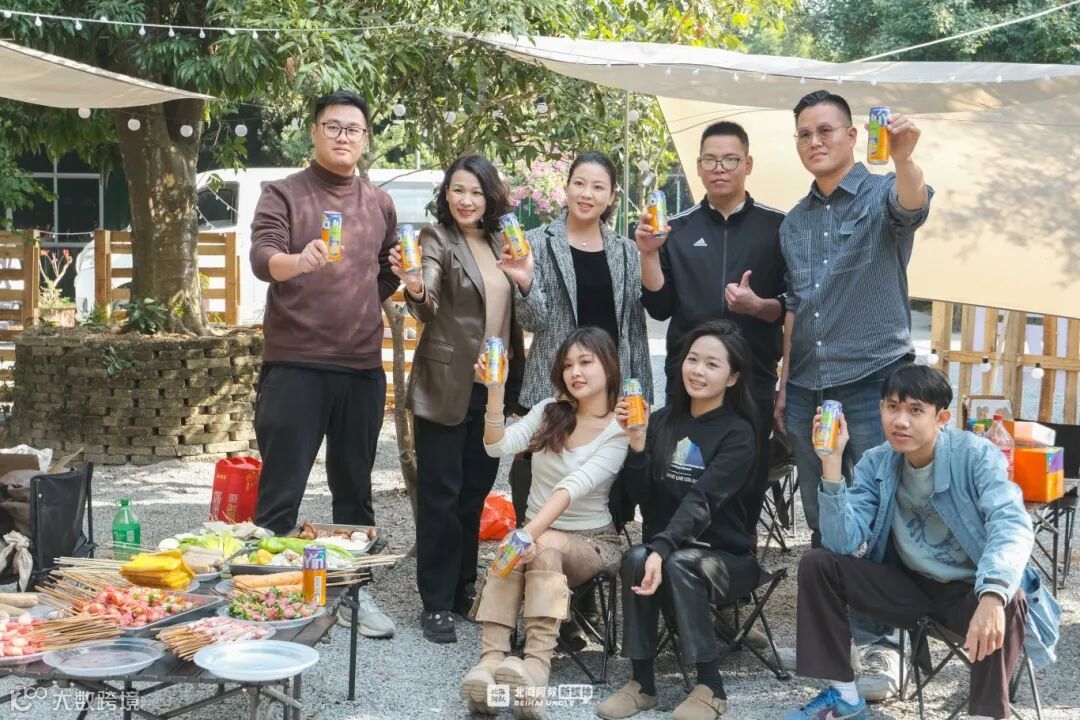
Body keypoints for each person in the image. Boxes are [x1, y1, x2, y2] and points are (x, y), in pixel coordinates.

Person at [785, 365, 1060, 720]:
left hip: (967, 593)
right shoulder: (877, 462)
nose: (901, 421)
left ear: (941, 417)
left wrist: (993, 594)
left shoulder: (975, 456)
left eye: (915, 410)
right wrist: (832, 463)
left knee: (1008, 597)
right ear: (881, 409)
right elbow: (840, 543)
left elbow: (1011, 523)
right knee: (818, 563)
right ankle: (845, 697)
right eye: (892, 407)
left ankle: (987, 715)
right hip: (910, 589)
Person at [775, 89, 933, 698]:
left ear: (850, 135)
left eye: (825, 130)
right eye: (804, 133)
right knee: (824, 516)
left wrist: (905, 156)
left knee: (884, 515)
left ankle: (882, 645)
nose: (814, 141)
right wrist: (783, 385)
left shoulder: (881, 193)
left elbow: (912, 205)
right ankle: (837, 637)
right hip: (807, 389)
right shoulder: (794, 222)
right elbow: (796, 309)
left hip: (873, 382)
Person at [249, 89, 396, 638]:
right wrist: (300, 261)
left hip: (361, 368)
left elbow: (386, 270)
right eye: (332, 126)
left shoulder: (378, 203)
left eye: (353, 129)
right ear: (313, 132)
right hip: (295, 365)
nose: (342, 136)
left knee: (354, 489)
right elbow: (263, 259)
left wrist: (360, 304)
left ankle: (352, 593)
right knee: (281, 490)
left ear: (365, 139)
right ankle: (265, 598)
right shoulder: (284, 193)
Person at [460, 328, 629, 719]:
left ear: (609, 366)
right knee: (536, 547)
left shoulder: (619, 427)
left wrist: (524, 535)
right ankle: (491, 663)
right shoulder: (550, 410)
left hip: (592, 541)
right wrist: (495, 389)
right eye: (568, 365)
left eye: (585, 362)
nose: (575, 372)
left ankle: (535, 669)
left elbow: (573, 487)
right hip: (537, 536)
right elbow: (496, 445)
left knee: (535, 544)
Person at [391, 155, 526, 644]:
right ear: (446, 194)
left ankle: (464, 585)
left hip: (493, 386)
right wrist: (414, 286)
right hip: (446, 384)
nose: (466, 201)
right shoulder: (436, 239)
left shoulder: (501, 243)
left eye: (476, 192)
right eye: (457, 190)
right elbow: (427, 303)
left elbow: (518, 311)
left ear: (491, 197)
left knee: (473, 495)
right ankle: (435, 601)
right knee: (441, 497)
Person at [597, 320, 761, 720]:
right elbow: (641, 498)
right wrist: (637, 444)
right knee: (636, 558)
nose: (698, 371)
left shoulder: (738, 434)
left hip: (726, 559)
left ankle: (711, 687)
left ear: (733, 377)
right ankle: (642, 684)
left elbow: (703, 501)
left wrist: (662, 547)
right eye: (693, 359)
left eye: (712, 364)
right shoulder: (662, 421)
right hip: (667, 550)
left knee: (674, 561)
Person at [635, 120, 786, 538]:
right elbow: (659, 307)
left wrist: (759, 306)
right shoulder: (677, 229)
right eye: (710, 160)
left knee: (747, 479)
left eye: (730, 160)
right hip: (690, 377)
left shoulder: (778, 227)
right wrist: (648, 254)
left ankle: (735, 559)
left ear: (748, 164)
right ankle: (665, 553)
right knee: (676, 472)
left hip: (751, 378)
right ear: (698, 167)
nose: (720, 168)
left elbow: (791, 305)